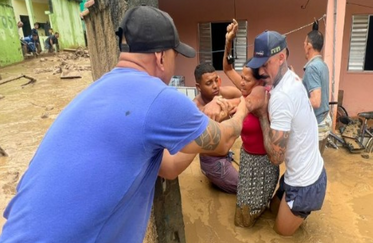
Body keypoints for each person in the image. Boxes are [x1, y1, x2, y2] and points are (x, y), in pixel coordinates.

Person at [0, 6, 248, 243]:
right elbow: (225, 139)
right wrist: (247, 104)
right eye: (175, 55)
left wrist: (201, 128)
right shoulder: (158, 97)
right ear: (161, 57)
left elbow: (169, 167)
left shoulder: (96, 90)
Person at [245, 30, 327, 236]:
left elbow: (275, 157)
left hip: (304, 184)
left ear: (281, 57)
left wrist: (263, 115)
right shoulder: (292, 77)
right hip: (302, 173)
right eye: (259, 65)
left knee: (278, 234)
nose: (261, 71)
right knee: (272, 211)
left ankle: (301, 213)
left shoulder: (282, 97)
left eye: (266, 64)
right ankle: (296, 215)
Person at [224, 19, 279, 227]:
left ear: (259, 81)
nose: (241, 82)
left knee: (249, 218)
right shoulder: (247, 89)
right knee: (242, 213)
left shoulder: (262, 97)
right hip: (247, 160)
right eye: (242, 78)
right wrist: (229, 41)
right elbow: (227, 68)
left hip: (262, 165)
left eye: (246, 79)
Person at [193, 63, 242, 193]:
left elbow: (245, 97)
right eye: (209, 83)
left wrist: (224, 104)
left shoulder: (223, 93)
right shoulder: (196, 108)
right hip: (214, 162)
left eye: (216, 80)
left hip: (225, 153)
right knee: (247, 189)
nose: (215, 85)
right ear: (198, 87)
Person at [302, 29, 330, 155]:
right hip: (324, 120)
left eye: (304, 43)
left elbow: (315, 101)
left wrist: (296, 100)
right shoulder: (322, 65)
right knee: (317, 164)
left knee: (311, 169)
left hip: (317, 124)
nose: (303, 46)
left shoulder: (312, 68)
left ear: (309, 46)